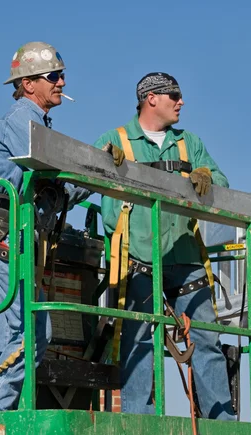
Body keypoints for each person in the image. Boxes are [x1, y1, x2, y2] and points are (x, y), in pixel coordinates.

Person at [93, 72, 235, 420]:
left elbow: (223, 184)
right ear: (151, 98)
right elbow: (79, 176)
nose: (181, 102)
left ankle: (221, 422)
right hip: (138, 257)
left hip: (184, 257)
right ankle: (141, 421)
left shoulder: (189, 143)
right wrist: (101, 165)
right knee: (139, 342)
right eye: (175, 95)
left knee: (207, 340)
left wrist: (206, 175)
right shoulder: (116, 140)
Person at [0, 41, 90, 412]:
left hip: (24, 241)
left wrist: (93, 173)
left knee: (29, 335)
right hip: (9, 239)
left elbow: (58, 188)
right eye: (54, 76)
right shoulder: (20, 121)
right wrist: (88, 168)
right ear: (29, 84)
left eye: (62, 76)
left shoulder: (37, 125)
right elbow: (49, 173)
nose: (61, 83)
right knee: (22, 336)